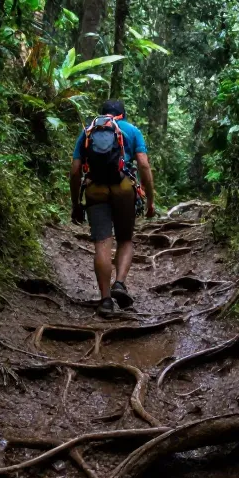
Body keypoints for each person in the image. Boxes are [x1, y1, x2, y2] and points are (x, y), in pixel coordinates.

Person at [70, 99, 156, 316]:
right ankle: (120, 283)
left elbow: (75, 171)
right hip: (124, 187)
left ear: (102, 114)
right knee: (125, 239)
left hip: (94, 189)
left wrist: (75, 204)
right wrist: (150, 200)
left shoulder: (89, 131)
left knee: (102, 243)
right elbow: (143, 165)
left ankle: (106, 300)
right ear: (123, 114)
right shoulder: (132, 131)